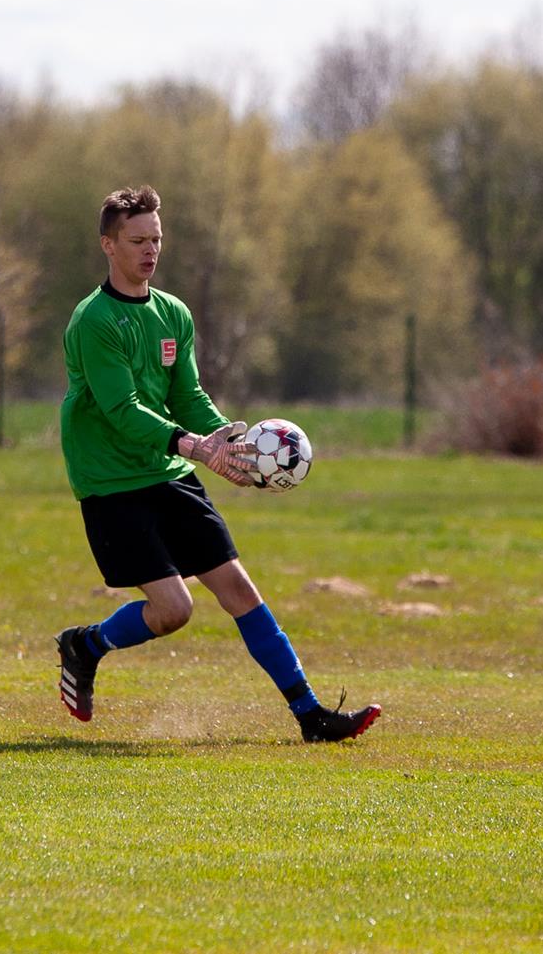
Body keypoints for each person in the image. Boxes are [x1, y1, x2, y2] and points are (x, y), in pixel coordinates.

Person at [54, 185, 380, 743]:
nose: (150, 250)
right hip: (112, 481)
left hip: (170, 472)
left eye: (156, 238)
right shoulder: (95, 320)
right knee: (174, 609)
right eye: (137, 240)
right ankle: (85, 645)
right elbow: (120, 409)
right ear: (108, 245)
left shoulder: (173, 314)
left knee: (239, 590)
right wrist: (191, 445)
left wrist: (228, 439)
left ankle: (312, 717)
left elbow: (189, 396)